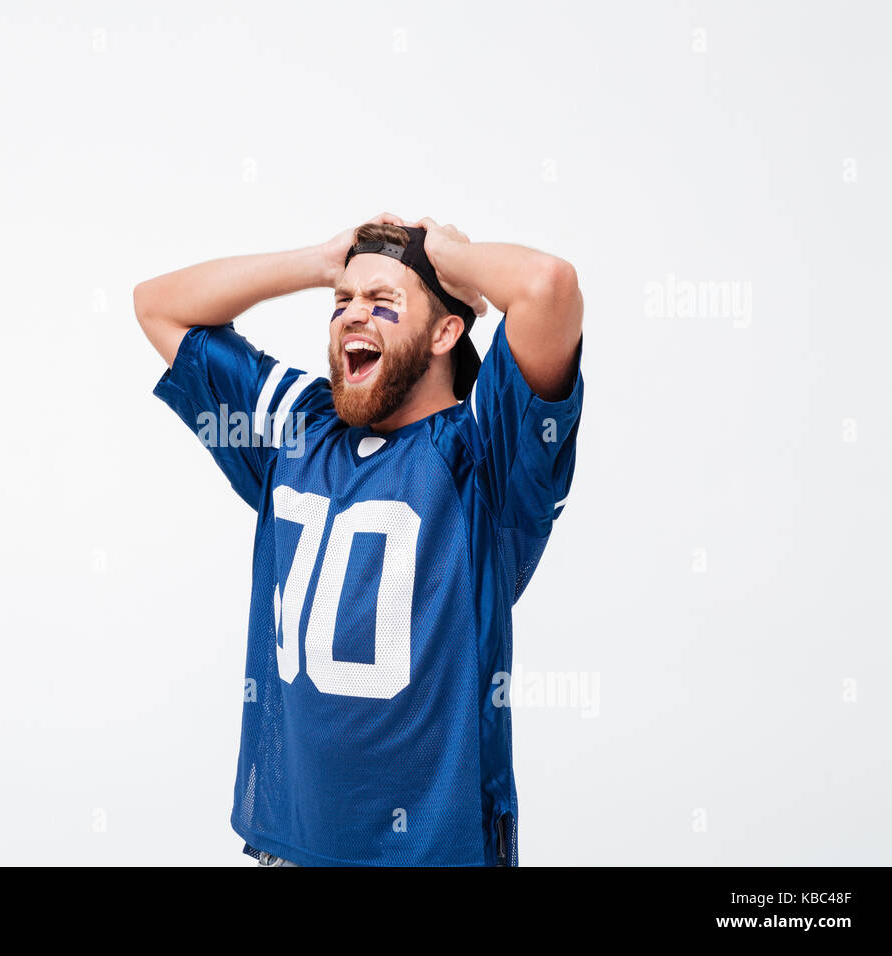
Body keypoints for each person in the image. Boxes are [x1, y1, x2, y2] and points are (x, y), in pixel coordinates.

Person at [134, 213, 585, 866]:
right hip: (291, 845)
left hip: (436, 852)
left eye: (383, 302)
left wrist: (446, 256)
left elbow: (549, 285)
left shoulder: (482, 458)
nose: (351, 315)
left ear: (446, 331)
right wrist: (320, 262)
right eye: (342, 301)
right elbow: (158, 307)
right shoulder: (300, 426)